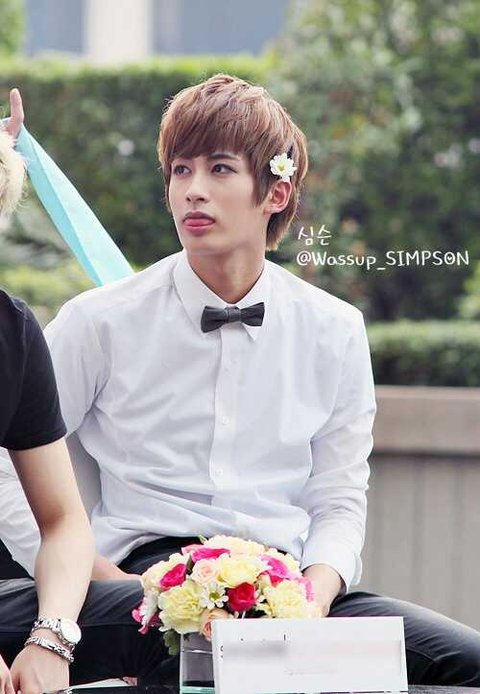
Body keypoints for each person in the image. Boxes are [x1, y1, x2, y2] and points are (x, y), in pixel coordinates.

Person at [3, 75, 480, 685]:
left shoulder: (335, 329)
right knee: (173, 652)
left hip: (286, 587)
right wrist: (101, 578)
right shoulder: (98, 321)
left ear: (276, 192)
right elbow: (11, 470)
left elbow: (338, 497)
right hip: (136, 583)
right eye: (180, 171)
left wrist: (315, 596)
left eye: (220, 169)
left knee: (465, 664)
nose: (193, 191)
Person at [0, 91, 175, 693]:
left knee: (182, 623)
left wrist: (52, 637)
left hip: (9, 599)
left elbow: (62, 520)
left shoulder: (12, 332)